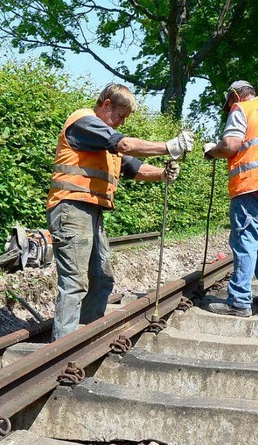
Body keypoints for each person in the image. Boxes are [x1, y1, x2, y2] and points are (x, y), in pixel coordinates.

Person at [46, 83, 193, 340]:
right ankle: (62, 348)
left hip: (91, 212)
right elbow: (125, 146)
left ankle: (85, 337)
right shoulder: (84, 123)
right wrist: (168, 147)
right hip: (70, 208)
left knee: (102, 278)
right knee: (74, 282)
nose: (121, 123)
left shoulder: (104, 140)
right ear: (105, 105)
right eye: (119, 115)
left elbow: (134, 167)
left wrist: (162, 174)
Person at [202, 80, 258, 317]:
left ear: (235, 96)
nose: (228, 108)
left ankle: (239, 301)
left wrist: (211, 151)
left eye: (229, 103)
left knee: (245, 241)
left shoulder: (242, 109)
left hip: (250, 185)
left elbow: (230, 145)